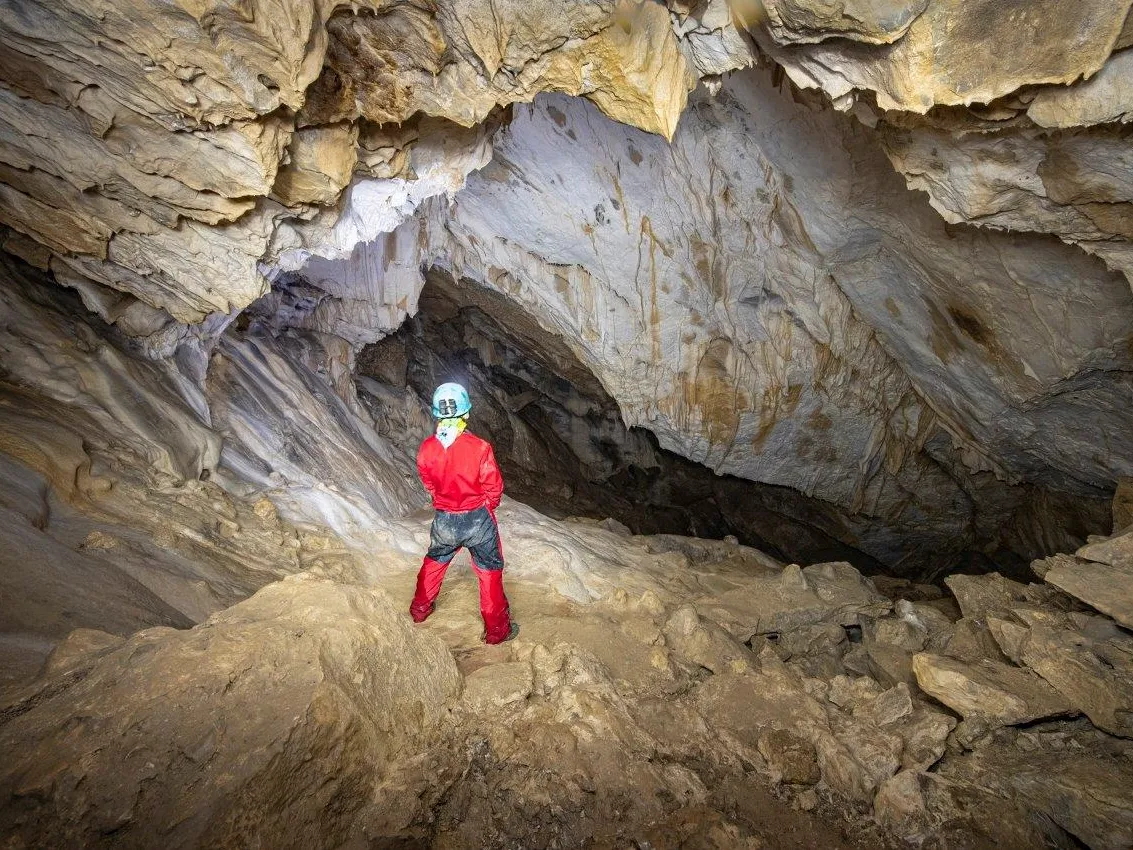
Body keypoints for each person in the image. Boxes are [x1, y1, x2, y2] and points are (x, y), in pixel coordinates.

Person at [409, 382, 518, 644]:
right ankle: (496, 631)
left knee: (435, 561)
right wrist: (485, 507)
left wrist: (444, 500)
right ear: (466, 413)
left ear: (438, 413)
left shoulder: (427, 448)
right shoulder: (480, 448)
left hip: (445, 517)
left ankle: (419, 611)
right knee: (489, 570)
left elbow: (429, 482)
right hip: (477, 518)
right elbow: (494, 486)